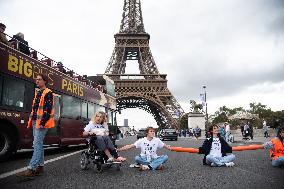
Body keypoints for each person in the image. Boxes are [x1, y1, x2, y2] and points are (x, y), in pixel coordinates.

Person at [17, 74, 54, 179]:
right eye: (36, 79)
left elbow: (47, 109)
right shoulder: (38, 92)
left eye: (39, 79)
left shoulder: (48, 92)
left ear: (45, 81)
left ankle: (32, 168)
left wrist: (42, 123)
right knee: (39, 144)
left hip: (41, 122)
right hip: (35, 121)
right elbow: (36, 109)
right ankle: (40, 168)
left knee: (36, 144)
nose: (37, 81)